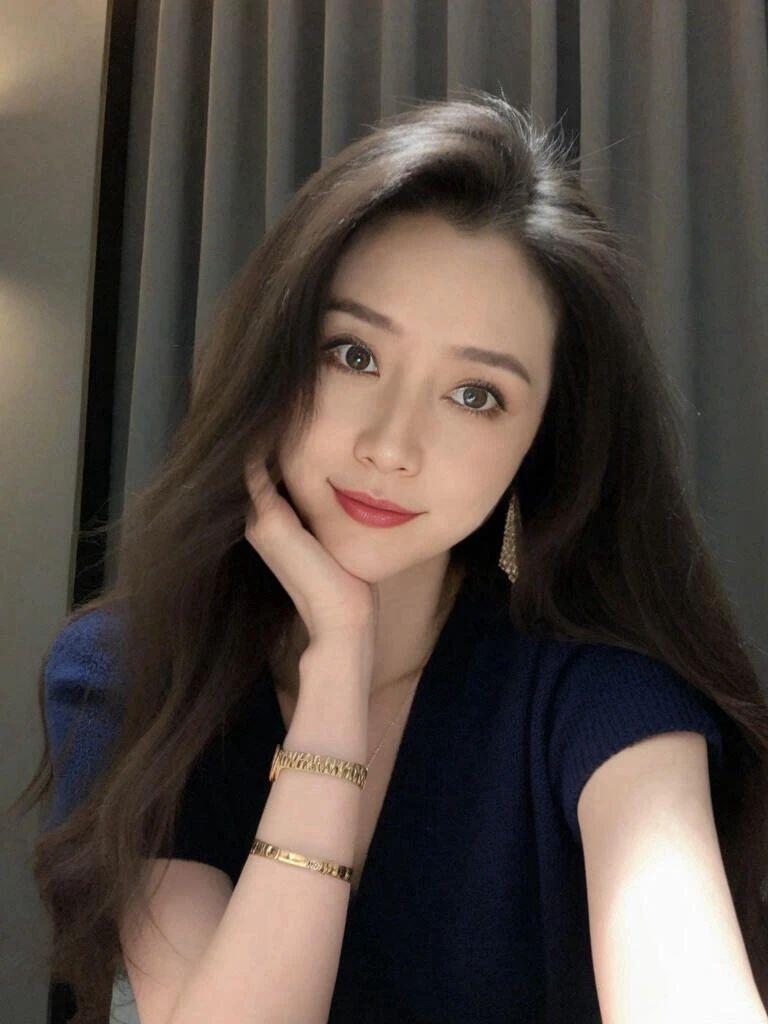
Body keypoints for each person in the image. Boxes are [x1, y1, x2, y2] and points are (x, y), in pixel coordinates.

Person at [11, 92, 768, 1024]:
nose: (392, 446)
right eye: (354, 355)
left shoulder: (604, 701)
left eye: (476, 395)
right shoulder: (131, 676)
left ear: (541, 440)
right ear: (275, 353)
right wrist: (336, 678)